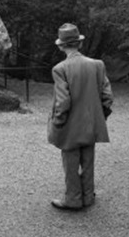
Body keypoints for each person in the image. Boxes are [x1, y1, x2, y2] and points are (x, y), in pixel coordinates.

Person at [48, 23, 114, 211]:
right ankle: (88, 196)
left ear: (61, 46)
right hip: (92, 122)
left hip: (70, 125)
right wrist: (100, 116)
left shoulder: (60, 69)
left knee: (70, 162)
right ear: (80, 44)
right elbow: (108, 96)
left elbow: (63, 101)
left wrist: (58, 123)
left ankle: (73, 199)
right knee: (88, 159)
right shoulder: (97, 65)